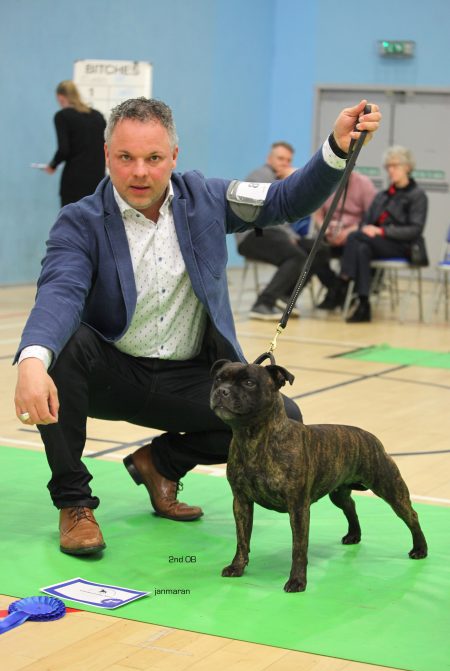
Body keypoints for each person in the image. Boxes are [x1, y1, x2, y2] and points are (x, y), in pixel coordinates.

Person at [14, 97, 380, 556]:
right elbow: (61, 291)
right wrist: (33, 359)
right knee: (61, 350)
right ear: (108, 155)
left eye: (153, 158)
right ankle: (74, 503)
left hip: (188, 378)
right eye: (126, 157)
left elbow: (284, 199)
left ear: (174, 156)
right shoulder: (79, 221)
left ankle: (162, 463)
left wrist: (337, 148)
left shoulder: (209, 198)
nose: (140, 172)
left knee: (283, 417)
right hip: (112, 376)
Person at [327, 145, 427, 322]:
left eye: (395, 166)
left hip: (403, 246)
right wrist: (368, 228)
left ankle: (343, 281)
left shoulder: (417, 195)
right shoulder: (383, 195)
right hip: (373, 243)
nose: (390, 170)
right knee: (362, 249)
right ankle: (364, 304)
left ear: (407, 167)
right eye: (388, 166)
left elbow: (415, 230)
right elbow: (366, 221)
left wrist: (381, 230)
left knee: (355, 237)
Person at [235, 142, 307, 320]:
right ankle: (263, 303)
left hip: (276, 233)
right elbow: (271, 211)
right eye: (281, 159)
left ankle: (284, 296)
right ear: (269, 159)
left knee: (317, 250)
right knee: (296, 256)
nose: (285, 163)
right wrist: (292, 180)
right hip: (254, 234)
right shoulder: (261, 175)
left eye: (288, 160)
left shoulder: (280, 178)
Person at [308, 171, 376, 310]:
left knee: (358, 246)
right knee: (310, 250)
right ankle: (335, 288)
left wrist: (348, 232)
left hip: (353, 235)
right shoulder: (324, 182)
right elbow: (318, 214)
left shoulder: (364, 184)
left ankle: (341, 291)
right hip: (329, 234)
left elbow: (371, 218)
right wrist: (325, 229)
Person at [45, 80, 106, 206]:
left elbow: (63, 150)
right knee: (95, 216)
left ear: (61, 97)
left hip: (74, 180)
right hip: (97, 179)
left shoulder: (62, 116)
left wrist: (53, 165)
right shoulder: (98, 116)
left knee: (71, 217)